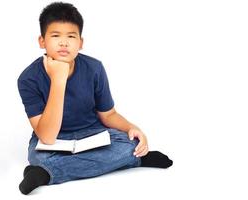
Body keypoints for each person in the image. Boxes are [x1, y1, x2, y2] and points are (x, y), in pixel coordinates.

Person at [17, 2, 173, 195]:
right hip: (53, 141)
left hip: (92, 133)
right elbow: (47, 136)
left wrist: (132, 128)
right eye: (55, 36)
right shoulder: (28, 78)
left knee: (130, 145)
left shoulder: (94, 68)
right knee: (37, 157)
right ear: (42, 41)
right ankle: (46, 170)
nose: (64, 43)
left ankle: (48, 173)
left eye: (71, 37)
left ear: (80, 43)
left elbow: (109, 115)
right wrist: (58, 79)